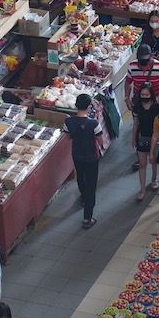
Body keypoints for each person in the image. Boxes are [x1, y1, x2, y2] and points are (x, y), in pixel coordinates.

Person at [62, 94, 103, 228]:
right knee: (91, 184)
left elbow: (68, 138)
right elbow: (100, 140)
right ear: (89, 106)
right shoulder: (94, 124)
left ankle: (84, 198)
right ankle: (87, 217)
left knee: (80, 176)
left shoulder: (68, 122)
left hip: (77, 155)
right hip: (91, 157)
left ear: (76, 105)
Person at [132, 83, 159, 201]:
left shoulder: (157, 107)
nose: (144, 96)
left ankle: (154, 179)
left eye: (147, 94)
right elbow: (135, 123)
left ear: (151, 94)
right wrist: (133, 138)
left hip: (154, 136)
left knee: (153, 160)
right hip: (141, 137)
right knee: (142, 164)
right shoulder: (137, 107)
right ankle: (142, 189)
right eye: (142, 94)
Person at [124, 44, 159, 111]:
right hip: (140, 101)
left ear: (151, 56)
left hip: (156, 100)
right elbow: (128, 82)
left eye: (146, 60)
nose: (143, 62)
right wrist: (127, 98)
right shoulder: (132, 66)